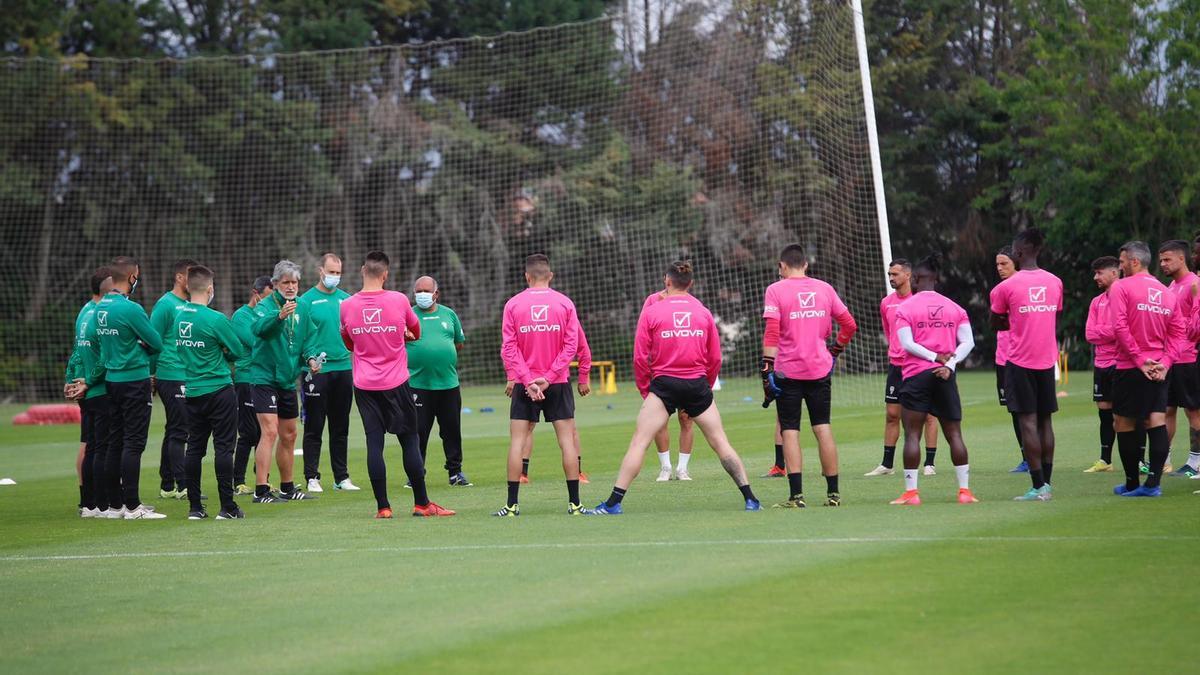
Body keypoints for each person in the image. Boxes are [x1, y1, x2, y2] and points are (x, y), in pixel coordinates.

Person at [590, 262, 760, 514]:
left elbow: (640, 357)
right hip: (697, 384)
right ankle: (750, 498)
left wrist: (646, 390)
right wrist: (706, 387)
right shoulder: (703, 312)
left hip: (664, 385)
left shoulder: (652, 311)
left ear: (666, 281)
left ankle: (614, 503)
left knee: (639, 443)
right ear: (690, 283)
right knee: (720, 441)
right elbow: (714, 358)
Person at [340, 251, 455, 518]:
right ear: (386, 274)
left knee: (374, 443)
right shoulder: (399, 300)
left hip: (365, 384)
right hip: (396, 382)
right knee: (410, 441)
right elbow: (416, 332)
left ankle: (383, 507)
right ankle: (422, 504)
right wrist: (397, 338)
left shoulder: (346, 305)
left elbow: (350, 344)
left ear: (362, 271)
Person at [762, 244, 857, 508]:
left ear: (781, 266)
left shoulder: (775, 290)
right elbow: (850, 325)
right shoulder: (824, 288)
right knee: (822, 427)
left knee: (790, 430)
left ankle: (797, 496)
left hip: (787, 370)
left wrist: (766, 366)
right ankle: (833, 494)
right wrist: (835, 350)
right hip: (819, 369)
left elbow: (771, 332)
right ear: (805, 264)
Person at [495, 254, 584, 516]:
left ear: (526, 276)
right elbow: (572, 346)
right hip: (556, 383)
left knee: (517, 443)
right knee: (567, 441)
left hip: (526, 385)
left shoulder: (513, 304)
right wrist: (550, 376)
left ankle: (511, 506)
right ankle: (575, 504)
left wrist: (527, 380)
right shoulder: (565, 303)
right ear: (551, 275)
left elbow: (508, 348)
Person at [887, 256, 977, 505]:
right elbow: (968, 342)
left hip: (916, 375)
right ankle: (965, 492)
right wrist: (948, 364)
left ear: (915, 279)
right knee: (955, 435)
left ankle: (912, 493)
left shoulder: (906, 307)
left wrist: (933, 356)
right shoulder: (955, 307)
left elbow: (907, 343)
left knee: (913, 435)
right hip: (945, 375)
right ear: (936, 279)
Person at [87, 256, 166, 519]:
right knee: (133, 444)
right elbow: (156, 342)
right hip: (133, 381)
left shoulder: (99, 308)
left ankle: (114, 505)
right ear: (132, 277)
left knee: (115, 442)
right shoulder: (130, 309)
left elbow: (100, 345)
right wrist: (141, 346)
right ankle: (133, 506)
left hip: (112, 381)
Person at [990, 228, 1063, 501]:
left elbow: (996, 322)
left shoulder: (1005, 288)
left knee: (1027, 422)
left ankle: (1038, 485)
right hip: (1046, 360)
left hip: (1019, 361)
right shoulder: (1055, 282)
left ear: (1018, 253)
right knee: (1046, 422)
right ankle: (1048, 482)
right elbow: (1056, 314)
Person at [1109, 241, 1185, 497]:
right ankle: (1153, 484)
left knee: (1123, 422)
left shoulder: (1120, 287)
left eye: (1121, 263)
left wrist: (1141, 361)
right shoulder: (1167, 292)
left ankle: (1132, 483)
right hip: (1160, 368)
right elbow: (1178, 334)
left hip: (1132, 366)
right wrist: (1165, 363)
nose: (1119, 268)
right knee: (1156, 419)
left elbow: (1120, 327)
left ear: (1133, 262)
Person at [174, 266, 249, 520]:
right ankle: (227, 506)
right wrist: (223, 351)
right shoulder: (215, 319)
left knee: (194, 448)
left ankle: (195, 507)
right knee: (224, 448)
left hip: (192, 390)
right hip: (218, 389)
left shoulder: (179, 317)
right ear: (209, 289)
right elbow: (237, 351)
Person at [866, 258, 941, 478]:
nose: (891, 278)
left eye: (895, 274)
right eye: (890, 274)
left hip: (918, 366)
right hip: (896, 366)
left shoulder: (920, 301)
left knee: (927, 414)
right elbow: (889, 332)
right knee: (891, 415)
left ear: (908, 275)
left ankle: (929, 462)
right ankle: (887, 464)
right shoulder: (886, 303)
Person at [249, 260, 314, 502]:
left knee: (290, 434)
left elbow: (308, 339)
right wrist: (278, 317)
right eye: (285, 282)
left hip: (288, 379)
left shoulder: (303, 307)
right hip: (264, 377)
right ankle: (261, 489)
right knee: (269, 432)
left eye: (294, 282)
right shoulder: (265, 306)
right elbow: (258, 330)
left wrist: (311, 359)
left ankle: (287, 487)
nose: (290, 287)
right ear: (275, 284)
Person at [297, 253, 360, 493]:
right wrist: (310, 359)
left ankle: (341, 477)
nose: (335, 276)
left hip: (343, 369)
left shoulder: (348, 300)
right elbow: (301, 338)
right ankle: (312, 476)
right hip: (317, 372)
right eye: (331, 271)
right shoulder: (306, 301)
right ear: (320, 271)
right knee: (314, 426)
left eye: (338, 272)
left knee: (340, 426)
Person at [506, 317, 593, 485]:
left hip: (543, 380)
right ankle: (523, 474)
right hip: (538, 379)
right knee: (532, 428)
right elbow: (509, 347)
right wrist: (511, 375)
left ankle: (577, 472)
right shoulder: (560, 308)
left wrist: (583, 376)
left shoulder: (560, 312)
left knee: (565, 430)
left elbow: (581, 345)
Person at [408, 275, 471, 487]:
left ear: (436, 293)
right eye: (418, 291)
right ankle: (415, 474)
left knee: (452, 430)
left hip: (448, 384)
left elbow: (458, 343)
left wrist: (442, 355)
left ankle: (455, 473)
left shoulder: (449, 314)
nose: (421, 295)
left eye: (426, 290)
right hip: (417, 385)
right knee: (418, 432)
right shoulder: (407, 314)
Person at [65, 267, 114, 517]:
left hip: (86, 388)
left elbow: (76, 350)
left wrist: (70, 379)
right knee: (101, 447)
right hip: (98, 388)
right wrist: (88, 382)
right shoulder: (100, 315)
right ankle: (102, 504)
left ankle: (88, 502)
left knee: (90, 445)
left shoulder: (84, 311)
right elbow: (105, 356)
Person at [150, 258, 198, 499]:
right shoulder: (165, 305)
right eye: (192, 276)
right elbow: (151, 340)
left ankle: (167, 485)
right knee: (181, 429)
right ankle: (183, 485)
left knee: (174, 429)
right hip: (170, 374)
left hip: (186, 374)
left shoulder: (189, 305)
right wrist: (151, 374)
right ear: (180, 278)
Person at [642, 287, 696, 482]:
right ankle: (665, 467)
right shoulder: (652, 301)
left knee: (686, 419)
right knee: (660, 421)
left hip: (688, 371)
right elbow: (643, 336)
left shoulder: (692, 302)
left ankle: (682, 469)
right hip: (661, 372)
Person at [1160, 240, 1200, 477]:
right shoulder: (1171, 287)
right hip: (1170, 358)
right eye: (1161, 260)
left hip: (1188, 357)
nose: (1163, 264)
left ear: (1182, 258)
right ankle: (1162, 459)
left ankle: (1195, 462)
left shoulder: (1194, 284)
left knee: (1193, 411)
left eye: (1167, 259)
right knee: (1166, 410)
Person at [231, 276, 272, 495]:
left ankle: (262, 479)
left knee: (265, 432)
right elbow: (256, 343)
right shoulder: (241, 316)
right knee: (248, 432)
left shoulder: (267, 315)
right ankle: (238, 481)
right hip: (247, 378)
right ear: (256, 294)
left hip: (265, 378)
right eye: (266, 297)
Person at [992, 247, 1029, 473]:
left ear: (1016, 262)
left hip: (1023, 359)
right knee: (1013, 410)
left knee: (1030, 410)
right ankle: (1026, 457)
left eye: (1004, 264)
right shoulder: (998, 291)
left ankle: (1037, 455)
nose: (1000, 269)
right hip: (1002, 359)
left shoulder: (1025, 288)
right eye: (997, 265)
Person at [1083, 256, 1121, 473]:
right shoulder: (1096, 302)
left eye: (1100, 272)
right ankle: (1105, 460)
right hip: (1101, 363)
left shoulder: (1125, 297)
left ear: (1114, 273)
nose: (1096, 277)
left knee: (1124, 414)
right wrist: (1111, 332)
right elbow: (1089, 334)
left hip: (1121, 363)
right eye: (1095, 273)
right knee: (1104, 410)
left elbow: (1123, 330)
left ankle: (1140, 461)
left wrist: (1105, 332)